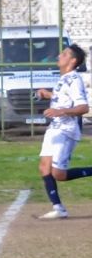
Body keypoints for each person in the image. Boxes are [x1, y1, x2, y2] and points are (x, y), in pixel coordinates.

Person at [35, 44, 91, 219]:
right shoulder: (64, 79)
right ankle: (58, 208)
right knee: (44, 167)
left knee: (58, 174)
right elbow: (63, 98)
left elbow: (83, 107)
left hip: (66, 130)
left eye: (65, 54)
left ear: (73, 61)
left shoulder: (74, 79)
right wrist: (49, 95)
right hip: (55, 128)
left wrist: (61, 111)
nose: (60, 55)